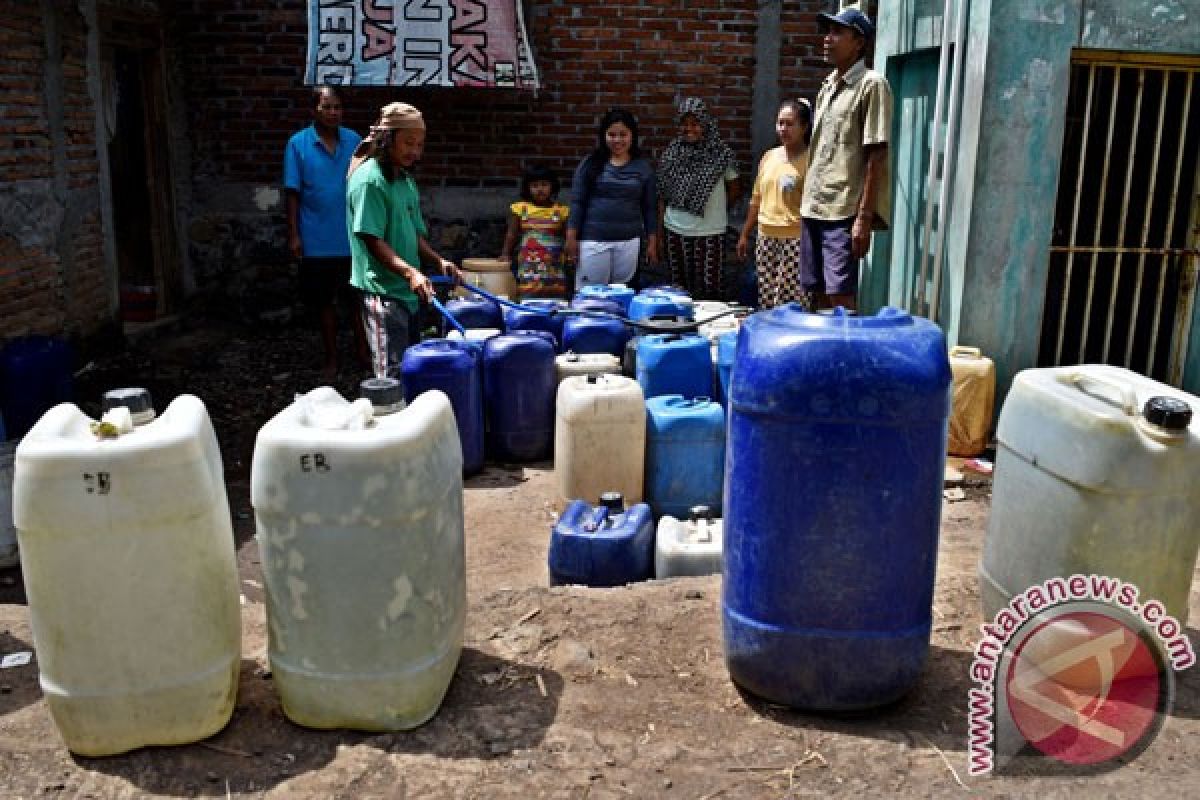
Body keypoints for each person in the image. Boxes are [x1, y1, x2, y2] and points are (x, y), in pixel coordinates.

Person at [346, 102, 462, 380]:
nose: (415, 151)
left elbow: (412, 235)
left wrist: (437, 261)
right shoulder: (369, 181)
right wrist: (411, 272)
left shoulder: (404, 180)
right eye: (408, 143)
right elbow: (372, 240)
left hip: (407, 292)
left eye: (420, 145)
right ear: (387, 140)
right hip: (383, 292)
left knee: (412, 368)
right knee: (391, 375)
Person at [800, 7, 893, 312]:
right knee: (815, 291)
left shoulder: (871, 84)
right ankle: (823, 358)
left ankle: (847, 357)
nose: (827, 39)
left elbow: (876, 153)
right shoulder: (827, 86)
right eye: (827, 32)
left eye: (837, 32)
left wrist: (864, 218)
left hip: (843, 210)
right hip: (814, 205)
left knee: (840, 294)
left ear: (859, 42)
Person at [283, 85, 368, 379]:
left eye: (337, 107)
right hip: (316, 237)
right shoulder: (298, 144)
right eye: (327, 107)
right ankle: (331, 357)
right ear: (314, 110)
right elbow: (292, 193)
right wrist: (294, 234)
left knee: (357, 300)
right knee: (324, 303)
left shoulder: (355, 142)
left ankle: (363, 353)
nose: (333, 113)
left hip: (351, 237)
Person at [656, 98, 741, 299]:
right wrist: (659, 234)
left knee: (710, 292)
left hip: (710, 232)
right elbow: (662, 196)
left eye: (695, 123)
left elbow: (735, 189)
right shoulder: (672, 154)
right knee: (678, 293)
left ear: (706, 124)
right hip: (674, 231)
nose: (689, 129)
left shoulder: (721, 154)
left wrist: (717, 212)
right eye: (684, 124)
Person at [565, 108, 658, 289]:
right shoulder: (590, 164)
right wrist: (571, 238)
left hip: (629, 243)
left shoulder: (643, 167)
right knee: (590, 298)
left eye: (623, 135)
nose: (617, 140)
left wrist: (652, 243)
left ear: (632, 136)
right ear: (604, 135)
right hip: (593, 241)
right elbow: (577, 202)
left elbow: (649, 208)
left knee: (621, 296)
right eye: (612, 134)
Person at [736, 99, 811, 309]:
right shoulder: (769, 157)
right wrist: (745, 234)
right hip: (766, 239)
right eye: (780, 123)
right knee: (767, 299)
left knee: (793, 301)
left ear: (804, 127)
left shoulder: (811, 160)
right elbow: (757, 199)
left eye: (789, 124)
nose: (783, 129)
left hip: (795, 242)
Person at [498, 164, 570, 298]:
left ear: (552, 186)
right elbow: (511, 234)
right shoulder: (520, 209)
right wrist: (505, 253)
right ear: (528, 188)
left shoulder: (561, 211)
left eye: (544, 185)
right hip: (528, 265)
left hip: (553, 265)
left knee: (554, 296)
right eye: (535, 186)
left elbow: (567, 237)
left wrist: (571, 254)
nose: (540, 189)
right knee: (527, 293)